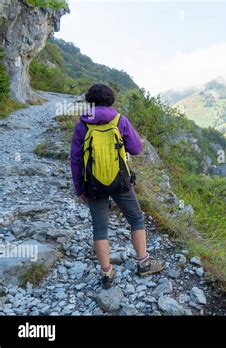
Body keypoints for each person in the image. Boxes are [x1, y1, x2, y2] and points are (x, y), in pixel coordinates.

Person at [70, 84, 165, 289]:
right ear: (111, 100)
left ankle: (106, 273)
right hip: (121, 181)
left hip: (93, 184)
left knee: (100, 228)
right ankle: (143, 262)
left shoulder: (82, 125)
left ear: (90, 101)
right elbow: (136, 148)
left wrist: (80, 190)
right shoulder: (119, 120)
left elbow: (76, 161)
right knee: (136, 219)